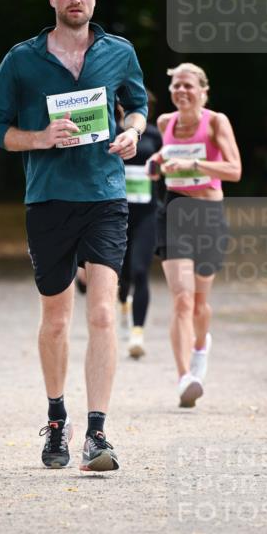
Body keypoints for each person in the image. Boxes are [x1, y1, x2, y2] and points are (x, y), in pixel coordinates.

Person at [0, 0, 148, 472]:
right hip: (49, 198)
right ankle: (57, 419)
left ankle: (98, 434)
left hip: (105, 195)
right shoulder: (22, 59)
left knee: (101, 313)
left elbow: (137, 105)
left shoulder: (118, 51)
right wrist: (39, 139)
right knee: (56, 320)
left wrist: (133, 133)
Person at [153, 63, 241, 407]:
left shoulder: (216, 122)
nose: (181, 91)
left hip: (208, 214)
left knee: (200, 303)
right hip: (173, 211)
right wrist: (159, 164)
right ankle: (184, 377)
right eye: (176, 86)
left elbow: (234, 170)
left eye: (188, 85)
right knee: (182, 299)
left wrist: (194, 165)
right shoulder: (165, 123)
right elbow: (159, 165)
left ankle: (201, 346)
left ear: (203, 91)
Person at [117, 93, 162, 358]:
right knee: (122, 274)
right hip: (116, 213)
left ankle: (137, 333)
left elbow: (166, 170)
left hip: (147, 213)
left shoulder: (155, 135)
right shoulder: (110, 132)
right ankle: (124, 305)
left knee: (140, 270)